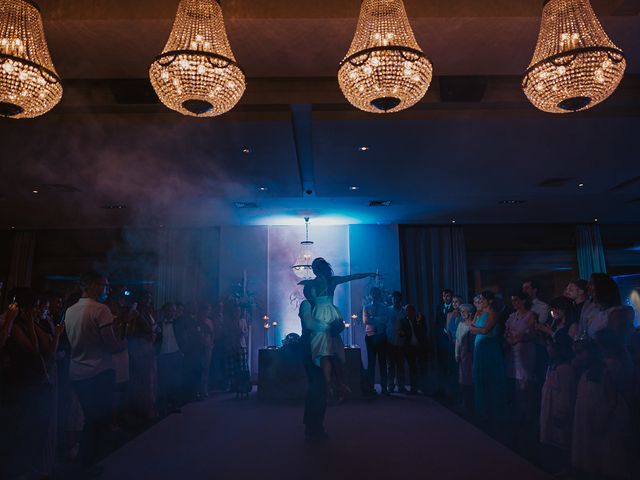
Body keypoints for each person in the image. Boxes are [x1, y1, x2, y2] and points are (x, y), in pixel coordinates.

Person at [64, 272, 126, 475]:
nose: (108, 290)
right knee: (97, 420)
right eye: (105, 286)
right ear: (91, 285)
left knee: (88, 418)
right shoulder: (101, 310)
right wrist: (123, 344)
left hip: (77, 371)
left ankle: (85, 460)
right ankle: (88, 463)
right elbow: (110, 344)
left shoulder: (70, 310)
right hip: (99, 372)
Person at [299, 258, 376, 400]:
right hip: (326, 315)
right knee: (328, 353)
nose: (314, 269)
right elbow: (351, 277)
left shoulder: (318, 283)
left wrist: (368, 273)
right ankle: (334, 387)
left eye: (316, 267)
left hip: (324, 316)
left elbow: (351, 277)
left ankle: (333, 387)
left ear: (320, 268)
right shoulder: (322, 282)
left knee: (327, 353)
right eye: (313, 267)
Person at [469, 291, 506, 426]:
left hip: (490, 350)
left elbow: (485, 330)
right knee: (480, 379)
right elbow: (471, 328)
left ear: (489, 301)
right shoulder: (480, 314)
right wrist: (478, 327)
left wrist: (477, 329)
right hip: (480, 349)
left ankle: (492, 413)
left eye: (483, 299)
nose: (481, 301)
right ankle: (482, 412)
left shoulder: (493, 313)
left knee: (490, 380)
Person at [504, 291, 537, 423]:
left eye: (516, 300)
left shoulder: (530, 315)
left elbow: (533, 333)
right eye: (512, 300)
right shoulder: (512, 316)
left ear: (523, 301)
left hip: (525, 350)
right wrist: (509, 339)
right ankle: (519, 414)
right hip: (512, 351)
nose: (514, 303)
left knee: (525, 382)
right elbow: (506, 332)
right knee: (515, 382)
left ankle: (529, 415)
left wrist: (519, 338)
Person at [299, 297, 327, 440]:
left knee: (321, 388)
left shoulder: (322, 305)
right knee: (316, 387)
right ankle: (311, 425)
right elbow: (309, 324)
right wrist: (329, 326)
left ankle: (317, 424)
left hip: (321, 349)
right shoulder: (306, 304)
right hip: (310, 350)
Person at [362, 286, 389, 395]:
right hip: (371, 336)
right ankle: (371, 387)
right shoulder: (366, 307)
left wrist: (374, 318)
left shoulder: (384, 307)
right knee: (371, 363)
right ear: (371, 295)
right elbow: (366, 321)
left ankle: (384, 388)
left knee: (383, 363)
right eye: (373, 294)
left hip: (381, 336)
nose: (375, 296)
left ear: (379, 295)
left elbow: (386, 319)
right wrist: (377, 319)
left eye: (376, 294)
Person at [386, 291, 411, 394]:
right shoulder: (388, 310)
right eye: (393, 298)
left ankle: (401, 386)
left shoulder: (404, 312)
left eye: (396, 298)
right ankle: (390, 386)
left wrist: (404, 333)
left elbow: (408, 326)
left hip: (401, 341)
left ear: (400, 300)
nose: (394, 300)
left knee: (400, 365)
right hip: (390, 340)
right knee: (390, 365)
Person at [455, 303, 475, 414]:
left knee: (472, 379)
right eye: (461, 311)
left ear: (470, 312)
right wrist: (456, 354)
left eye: (464, 311)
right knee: (463, 380)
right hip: (463, 355)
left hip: (473, 355)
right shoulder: (461, 325)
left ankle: (472, 404)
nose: (462, 313)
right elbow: (458, 341)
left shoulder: (474, 323)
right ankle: (464, 402)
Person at [435, 289, 454, 397]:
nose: (445, 298)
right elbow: (437, 323)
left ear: (451, 297)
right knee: (441, 364)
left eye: (447, 296)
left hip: (451, 339)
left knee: (450, 364)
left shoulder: (455, 307)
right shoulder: (439, 306)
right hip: (441, 339)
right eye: (443, 296)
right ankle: (442, 389)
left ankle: (451, 390)